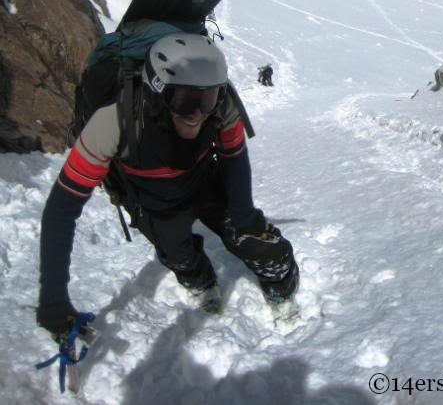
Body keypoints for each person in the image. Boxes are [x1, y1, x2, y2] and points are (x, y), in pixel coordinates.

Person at [36, 33, 298, 339]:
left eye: (207, 99)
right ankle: (200, 280)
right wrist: (53, 299)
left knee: (260, 245)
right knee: (178, 256)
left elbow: (234, 159)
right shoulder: (115, 122)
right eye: (185, 101)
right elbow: (61, 211)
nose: (198, 114)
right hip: (154, 202)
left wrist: (243, 216)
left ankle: (281, 281)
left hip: (204, 183)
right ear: (157, 92)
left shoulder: (222, 106)